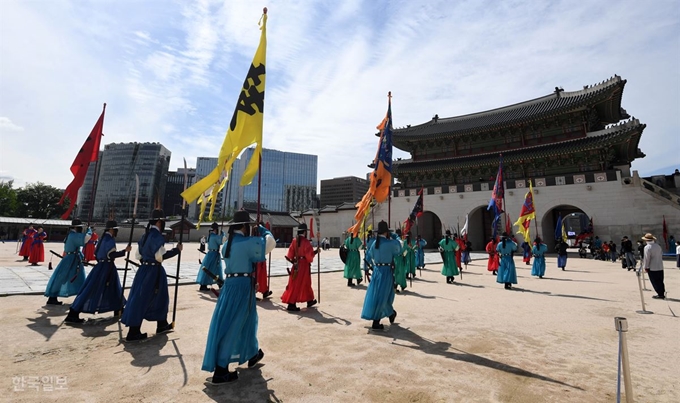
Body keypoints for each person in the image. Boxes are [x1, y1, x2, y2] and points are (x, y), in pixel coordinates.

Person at [202, 210, 275, 384]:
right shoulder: (246, 242)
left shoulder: (228, 243)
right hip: (241, 288)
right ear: (244, 226)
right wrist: (264, 230)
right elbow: (270, 244)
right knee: (235, 325)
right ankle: (221, 369)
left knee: (246, 320)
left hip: (232, 285)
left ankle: (252, 353)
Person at [121, 209, 182, 342]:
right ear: (159, 222)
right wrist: (177, 250)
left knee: (146, 297)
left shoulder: (145, 236)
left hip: (144, 270)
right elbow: (160, 256)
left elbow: (139, 256)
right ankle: (134, 331)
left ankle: (161, 323)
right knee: (151, 298)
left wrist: (147, 263)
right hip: (154, 271)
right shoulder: (157, 236)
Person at [65, 220, 131, 323]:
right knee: (93, 289)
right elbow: (111, 255)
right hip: (106, 267)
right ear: (111, 230)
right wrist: (124, 251)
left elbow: (96, 253)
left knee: (113, 287)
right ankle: (73, 312)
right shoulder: (109, 240)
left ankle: (119, 308)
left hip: (102, 266)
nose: (115, 232)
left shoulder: (102, 239)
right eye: (115, 230)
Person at [361, 221, 401, 330]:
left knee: (378, 294)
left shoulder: (374, 243)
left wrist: (365, 269)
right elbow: (399, 249)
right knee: (383, 295)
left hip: (376, 271)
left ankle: (390, 313)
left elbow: (368, 256)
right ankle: (377, 321)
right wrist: (396, 237)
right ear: (386, 232)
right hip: (386, 271)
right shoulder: (390, 243)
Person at [44, 219, 91, 305]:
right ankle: (53, 297)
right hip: (71, 259)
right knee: (62, 278)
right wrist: (89, 231)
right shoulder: (73, 235)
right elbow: (85, 239)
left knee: (78, 277)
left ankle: (81, 296)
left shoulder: (72, 234)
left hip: (73, 258)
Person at [281, 223, 318, 311]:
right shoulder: (306, 242)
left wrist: (294, 261)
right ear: (305, 232)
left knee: (305, 283)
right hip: (304, 265)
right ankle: (291, 303)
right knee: (299, 283)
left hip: (296, 264)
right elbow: (309, 255)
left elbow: (290, 255)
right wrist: (316, 252)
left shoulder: (294, 241)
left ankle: (310, 300)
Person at [196, 222, 225, 292]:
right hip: (214, 254)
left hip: (211, 253)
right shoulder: (214, 236)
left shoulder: (210, 236)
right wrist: (222, 235)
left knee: (214, 268)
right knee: (212, 269)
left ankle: (219, 282)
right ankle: (205, 284)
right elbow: (221, 241)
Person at [641, 233, 666, 299]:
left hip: (652, 267)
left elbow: (647, 258)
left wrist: (645, 266)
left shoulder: (647, 247)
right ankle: (662, 292)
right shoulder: (658, 246)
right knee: (660, 280)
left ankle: (659, 294)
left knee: (655, 281)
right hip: (660, 266)